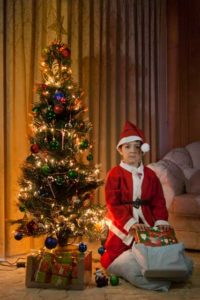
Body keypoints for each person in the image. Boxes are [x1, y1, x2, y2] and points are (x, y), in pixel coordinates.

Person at [100, 121, 193, 291]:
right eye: (127, 147)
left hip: (148, 224)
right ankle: (154, 276)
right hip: (123, 227)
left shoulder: (150, 175)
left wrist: (160, 223)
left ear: (142, 151)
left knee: (171, 258)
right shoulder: (115, 173)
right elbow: (113, 204)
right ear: (120, 150)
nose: (132, 151)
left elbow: (158, 201)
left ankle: (163, 270)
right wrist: (132, 224)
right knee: (125, 262)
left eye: (137, 147)